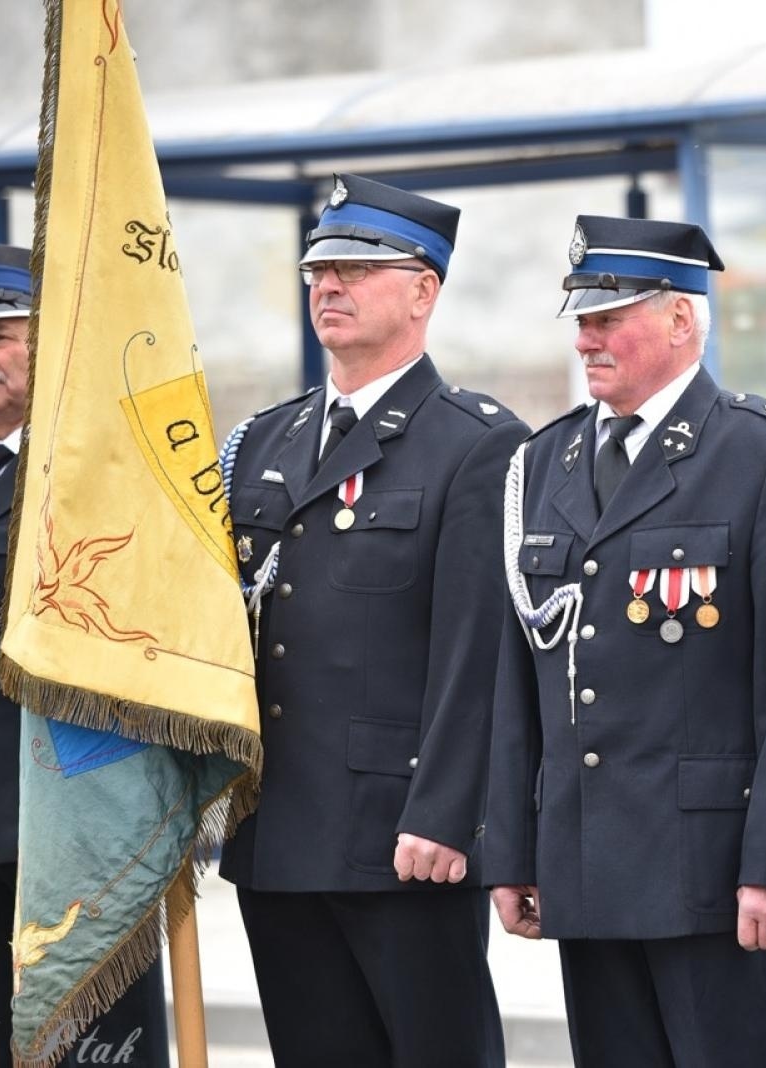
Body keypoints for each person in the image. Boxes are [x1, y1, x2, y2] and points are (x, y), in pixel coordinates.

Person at [485, 215, 766, 1066]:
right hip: (583, 869)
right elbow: (519, 680)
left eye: (608, 317)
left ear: (681, 320)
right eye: (580, 319)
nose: (586, 339)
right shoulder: (545, 464)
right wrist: (512, 849)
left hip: (715, 875)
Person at [220, 173, 524, 1067]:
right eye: (318, 268)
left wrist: (445, 816)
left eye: (356, 268)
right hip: (277, 832)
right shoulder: (263, 442)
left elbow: (478, 657)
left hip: (401, 840)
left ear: (423, 291)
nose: (329, 286)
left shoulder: (473, 442)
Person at [0, 241, 168, 1067]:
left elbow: (137, 655)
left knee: (101, 1044)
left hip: (76, 826)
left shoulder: (93, 475)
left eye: (2, 336)